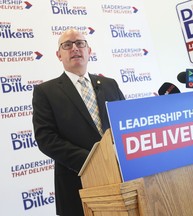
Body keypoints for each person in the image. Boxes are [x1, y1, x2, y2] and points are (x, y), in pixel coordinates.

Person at [32, 28, 125, 216]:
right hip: (76, 183)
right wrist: (94, 161)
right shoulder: (46, 92)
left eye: (80, 43)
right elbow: (46, 139)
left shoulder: (110, 84)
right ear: (59, 55)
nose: (74, 48)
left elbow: (126, 124)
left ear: (89, 51)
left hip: (121, 180)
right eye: (67, 45)